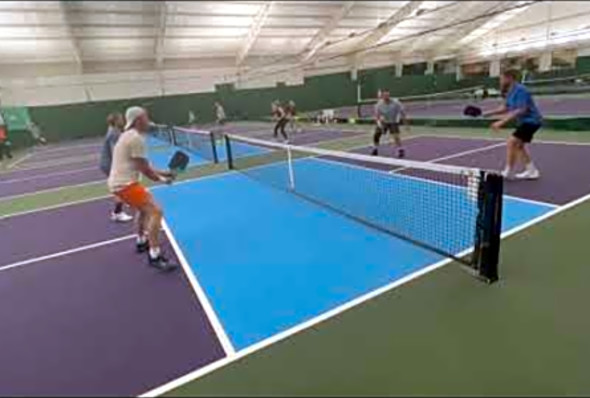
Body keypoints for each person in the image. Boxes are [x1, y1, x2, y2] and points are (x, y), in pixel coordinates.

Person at [108, 106, 178, 271]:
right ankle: (155, 256)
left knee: (143, 210)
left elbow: (142, 164)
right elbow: (145, 170)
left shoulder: (128, 136)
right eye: (146, 117)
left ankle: (141, 242)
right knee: (156, 211)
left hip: (120, 184)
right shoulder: (135, 139)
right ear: (138, 120)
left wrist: (164, 172)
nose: (148, 120)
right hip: (125, 185)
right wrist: (162, 180)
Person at [483, 69, 542, 180]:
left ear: (509, 78)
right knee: (519, 146)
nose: (500, 80)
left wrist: (502, 122)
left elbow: (521, 110)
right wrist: (488, 113)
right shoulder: (509, 92)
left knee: (512, 142)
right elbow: (505, 107)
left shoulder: (521, 90)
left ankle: (508, 171)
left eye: (502, 78)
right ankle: (532, 171)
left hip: (532, 121)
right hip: (524, 122)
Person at [100, 112, 133, 223]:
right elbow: (116, 152)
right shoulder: (114, 133)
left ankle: (128, 200)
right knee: (120, 188)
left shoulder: (114, 130)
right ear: (116, 121)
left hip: (108, 163)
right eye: (120, 119)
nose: (123, 120)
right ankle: (117, 213)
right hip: (110, 164)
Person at [371, 89, 407, 158]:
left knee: (396, 137)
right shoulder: (379, 105)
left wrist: (406, 124)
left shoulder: (396, 102)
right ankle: (375, 149)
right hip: (384, 121)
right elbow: (377, 116)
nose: (386, 97)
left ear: (389, 95)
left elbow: (402, 112)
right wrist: (379, 124)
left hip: (393, 121)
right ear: (382, 96)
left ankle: (400, 150)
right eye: (384, 95)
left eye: (387, 95)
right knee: (376, 135)